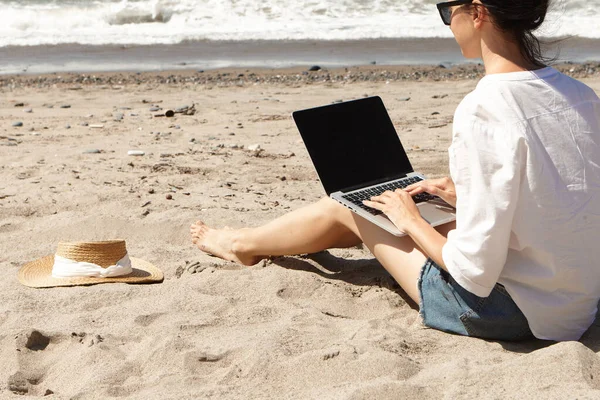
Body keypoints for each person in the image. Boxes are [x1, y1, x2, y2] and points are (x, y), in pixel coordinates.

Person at [191, 0, 600, 342]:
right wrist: (466, 195)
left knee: (352, 208)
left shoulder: (485, 108)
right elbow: (571, 192)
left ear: (477, 13)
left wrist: (409, 221)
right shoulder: (580, 95)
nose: (447, 22)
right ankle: (268, 240)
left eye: (446, 10)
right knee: (405, 207)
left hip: (513, 315)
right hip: (580, 301)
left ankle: (242, 244)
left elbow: (474, 274)